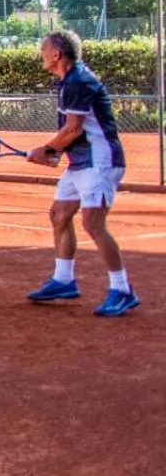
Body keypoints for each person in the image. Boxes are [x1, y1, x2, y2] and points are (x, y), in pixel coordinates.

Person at [25, 30, 139, 317]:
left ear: (56, 54)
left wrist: (47, 150)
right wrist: (56, 153)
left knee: (93, 222)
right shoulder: (68, 81)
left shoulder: (78, 80)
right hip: (80, 162)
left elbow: (74, 128)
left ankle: (122, 289)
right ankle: (64, 280)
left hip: (100, 162)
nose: (41, 54)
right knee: (59, 214)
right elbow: (76, 130)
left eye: (44, 49)